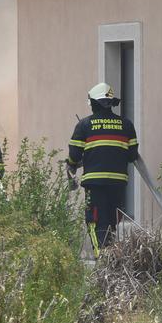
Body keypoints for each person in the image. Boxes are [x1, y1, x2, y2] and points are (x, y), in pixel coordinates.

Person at [67, 83, 139, 252]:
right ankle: (111, 256)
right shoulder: (127, 125)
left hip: (95, 184)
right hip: (118, 183)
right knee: (112, 221)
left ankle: (101, 258)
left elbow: (74, 156)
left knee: (95, 220)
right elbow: (132, 156)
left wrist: (74, 163)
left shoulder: (84, 125)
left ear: (94, 103)